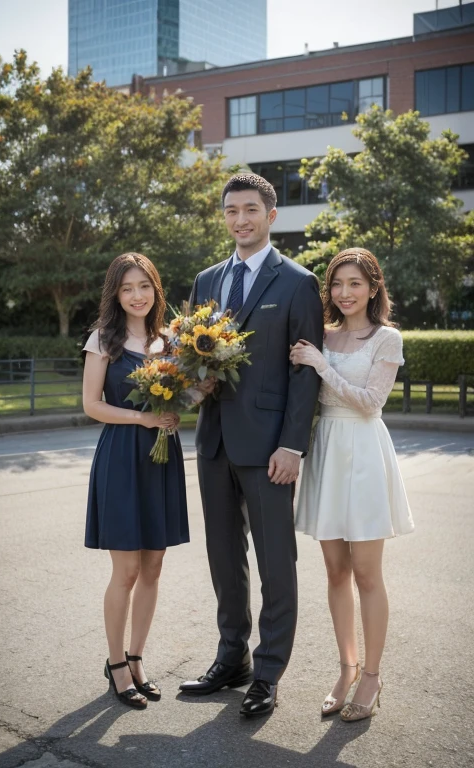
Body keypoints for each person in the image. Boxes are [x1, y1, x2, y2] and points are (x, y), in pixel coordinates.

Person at [179, 173, 323, 717]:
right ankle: (231, 656)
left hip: (269, 448)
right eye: (231, 210)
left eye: (250, 210)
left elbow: (304, 373)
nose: (240, 219)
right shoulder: (206, 279)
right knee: (223, 557)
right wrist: (191, 388)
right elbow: (191, 358)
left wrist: (293, 445)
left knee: (275, 561)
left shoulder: (298, 282)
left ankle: (268, 672)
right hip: (213, 439)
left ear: (271, 215)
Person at [290, 247, 414, 722]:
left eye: (355, 284)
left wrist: (321, 365)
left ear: (373, 287)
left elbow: (369, 402)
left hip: (364, 451)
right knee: (335, 572)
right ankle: (346, 667)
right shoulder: (321, 335)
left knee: (366, 573)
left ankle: (373, 676)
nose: (344, 293)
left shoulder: (387, 338)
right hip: (327, 451)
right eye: (337, 284)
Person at [82, 252, 189, 708]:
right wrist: (141, 419)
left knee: (153, 567)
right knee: (125, 571)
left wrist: (173, 413)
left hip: (161, 459)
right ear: (116, 293)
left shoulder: (171, 341)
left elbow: (185, 393)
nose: (136, 295)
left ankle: (137, 657)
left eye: (143, 286)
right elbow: (91, 405)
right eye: (127, 288)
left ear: (155, 289)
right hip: (122, 457)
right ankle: (116, 665)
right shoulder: (103, 339)